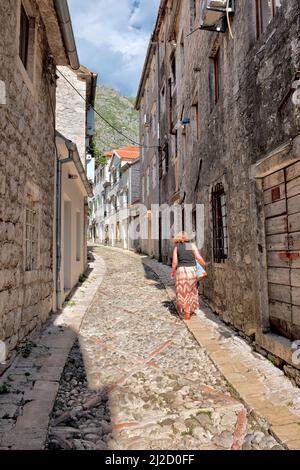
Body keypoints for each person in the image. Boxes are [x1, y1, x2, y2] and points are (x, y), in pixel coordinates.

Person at [171, 231, 206, 320]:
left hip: (181, 270)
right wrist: (204, 264)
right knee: (191, 290)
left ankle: (184, 310)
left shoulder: (176, 248)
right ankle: (189, 310)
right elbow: (198, 257)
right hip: (191, 270)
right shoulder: (192, 246)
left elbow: (174, 262)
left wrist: (172, 271)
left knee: (182, 290)